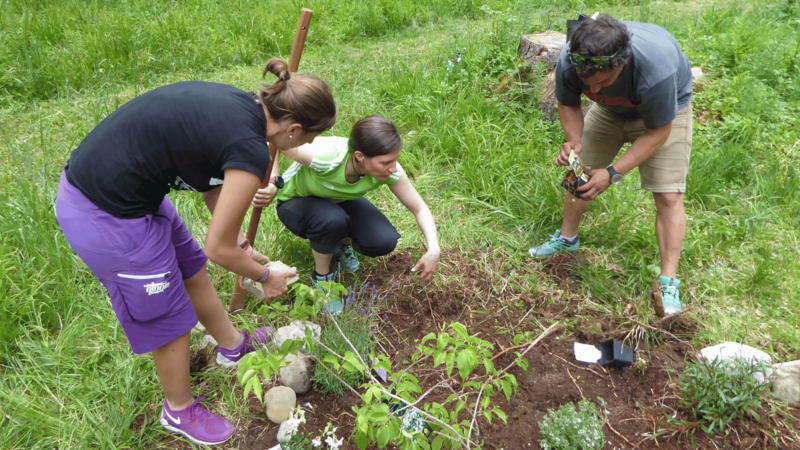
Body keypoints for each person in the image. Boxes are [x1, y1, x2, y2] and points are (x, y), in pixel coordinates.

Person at [55, 59, 336, 446]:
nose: (301, 148)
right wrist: (264, 277)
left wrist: (243, 249)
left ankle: (232, 347)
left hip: (134, 195)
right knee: (166, 313)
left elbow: (211, 184)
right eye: (305, 140)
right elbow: (217, 248)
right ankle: (178, 409)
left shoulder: (243, 109)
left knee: (191, 268)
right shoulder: (250, 147)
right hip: (103, 211)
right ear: (293, 129)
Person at [528, 15, 693, 315]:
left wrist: (614, 173)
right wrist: (574, 143)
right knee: (578, 175)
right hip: (609, 114)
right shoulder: (571, 59)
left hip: (664, 115)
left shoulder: (655, 72)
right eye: (588, 83)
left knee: (668, 195)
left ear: (621, 63)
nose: (596, 89)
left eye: (603, 82)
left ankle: (668, 282)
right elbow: (568, 103)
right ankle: (567, 240)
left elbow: (658, 132)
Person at [252, 115, 440, 298]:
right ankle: (322, 280)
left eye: (394, 160)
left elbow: (419, 208)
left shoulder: (392, 171)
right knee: (332, 220)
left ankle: (338, 244)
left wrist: (433, 249)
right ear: (359, 156)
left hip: (336, 201)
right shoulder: (325, 156)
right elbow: (275, 140)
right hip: (295, 202)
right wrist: (272, 181)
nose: (393, 168)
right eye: (386, 162)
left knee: (383, 240)